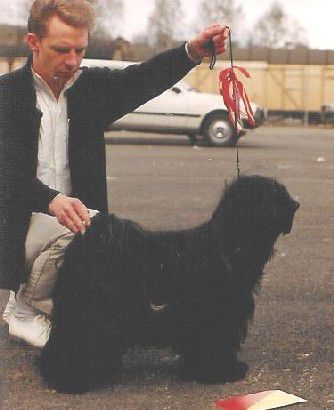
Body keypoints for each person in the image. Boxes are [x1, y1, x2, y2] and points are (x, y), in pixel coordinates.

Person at [0, 0, 229, 347]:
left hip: (72, 223)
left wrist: (191, 52)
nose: (73, 61)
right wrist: (51, 200)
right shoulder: (6, 96)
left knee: (101, 241)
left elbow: (142, 79)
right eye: (61, 49)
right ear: (33, 42)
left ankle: (53, 303)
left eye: (80, 50)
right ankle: (22, 307)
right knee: (80, 222)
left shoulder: (90, 89)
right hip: (16, 225)